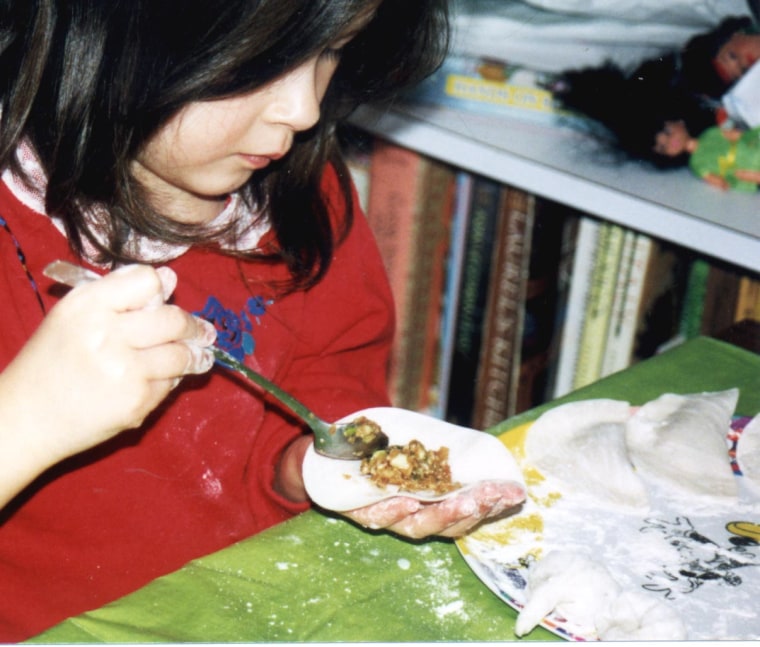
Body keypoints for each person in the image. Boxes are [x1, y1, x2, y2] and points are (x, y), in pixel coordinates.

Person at [0, 0, 526, 641]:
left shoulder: (301, 190)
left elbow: (330, 369)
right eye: (264, 61)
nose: (304, 110)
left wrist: (309, 462)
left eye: (330, 51)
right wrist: (24, 420)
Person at [654, 120, 760, 191]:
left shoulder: (709, 133)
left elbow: (737, 135)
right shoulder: (696, 164)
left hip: (751, 149)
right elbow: (721, 182)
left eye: (668, 132)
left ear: (680, 122)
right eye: (663, 147)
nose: (670, 142)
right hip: (744, 171)